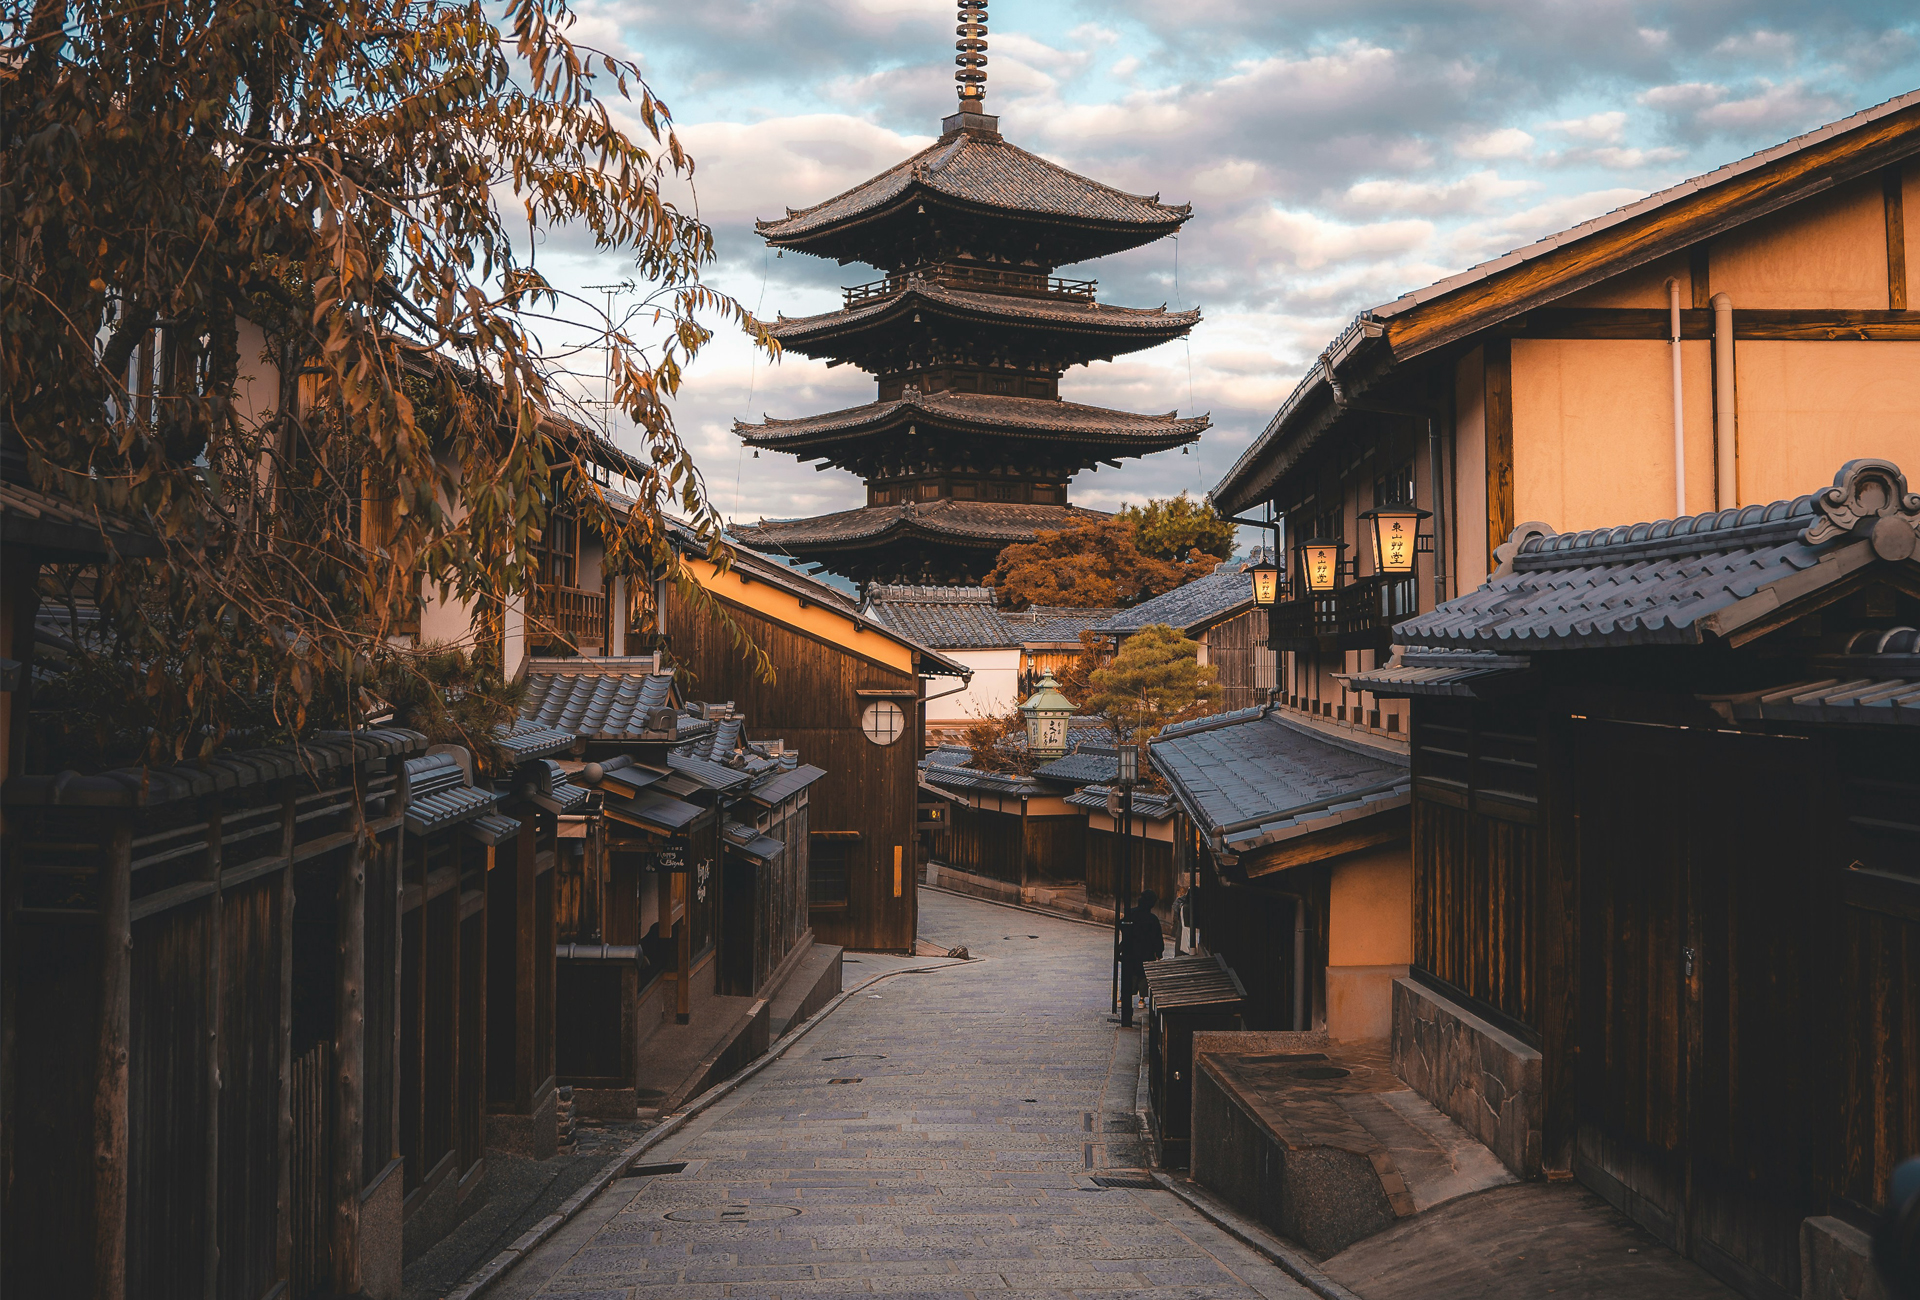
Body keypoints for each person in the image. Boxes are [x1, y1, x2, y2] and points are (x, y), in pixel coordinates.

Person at [1118, 889, 1164, 1028]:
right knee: (1143, 975)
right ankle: (1142, 999)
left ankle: (1124, 997)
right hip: (1146, 951)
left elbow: (1121, 924)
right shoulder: (1152, 919)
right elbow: (1158, 939)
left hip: (1131, 950)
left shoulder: (1131, 914)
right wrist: (1159, 952)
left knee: (1130, 973)